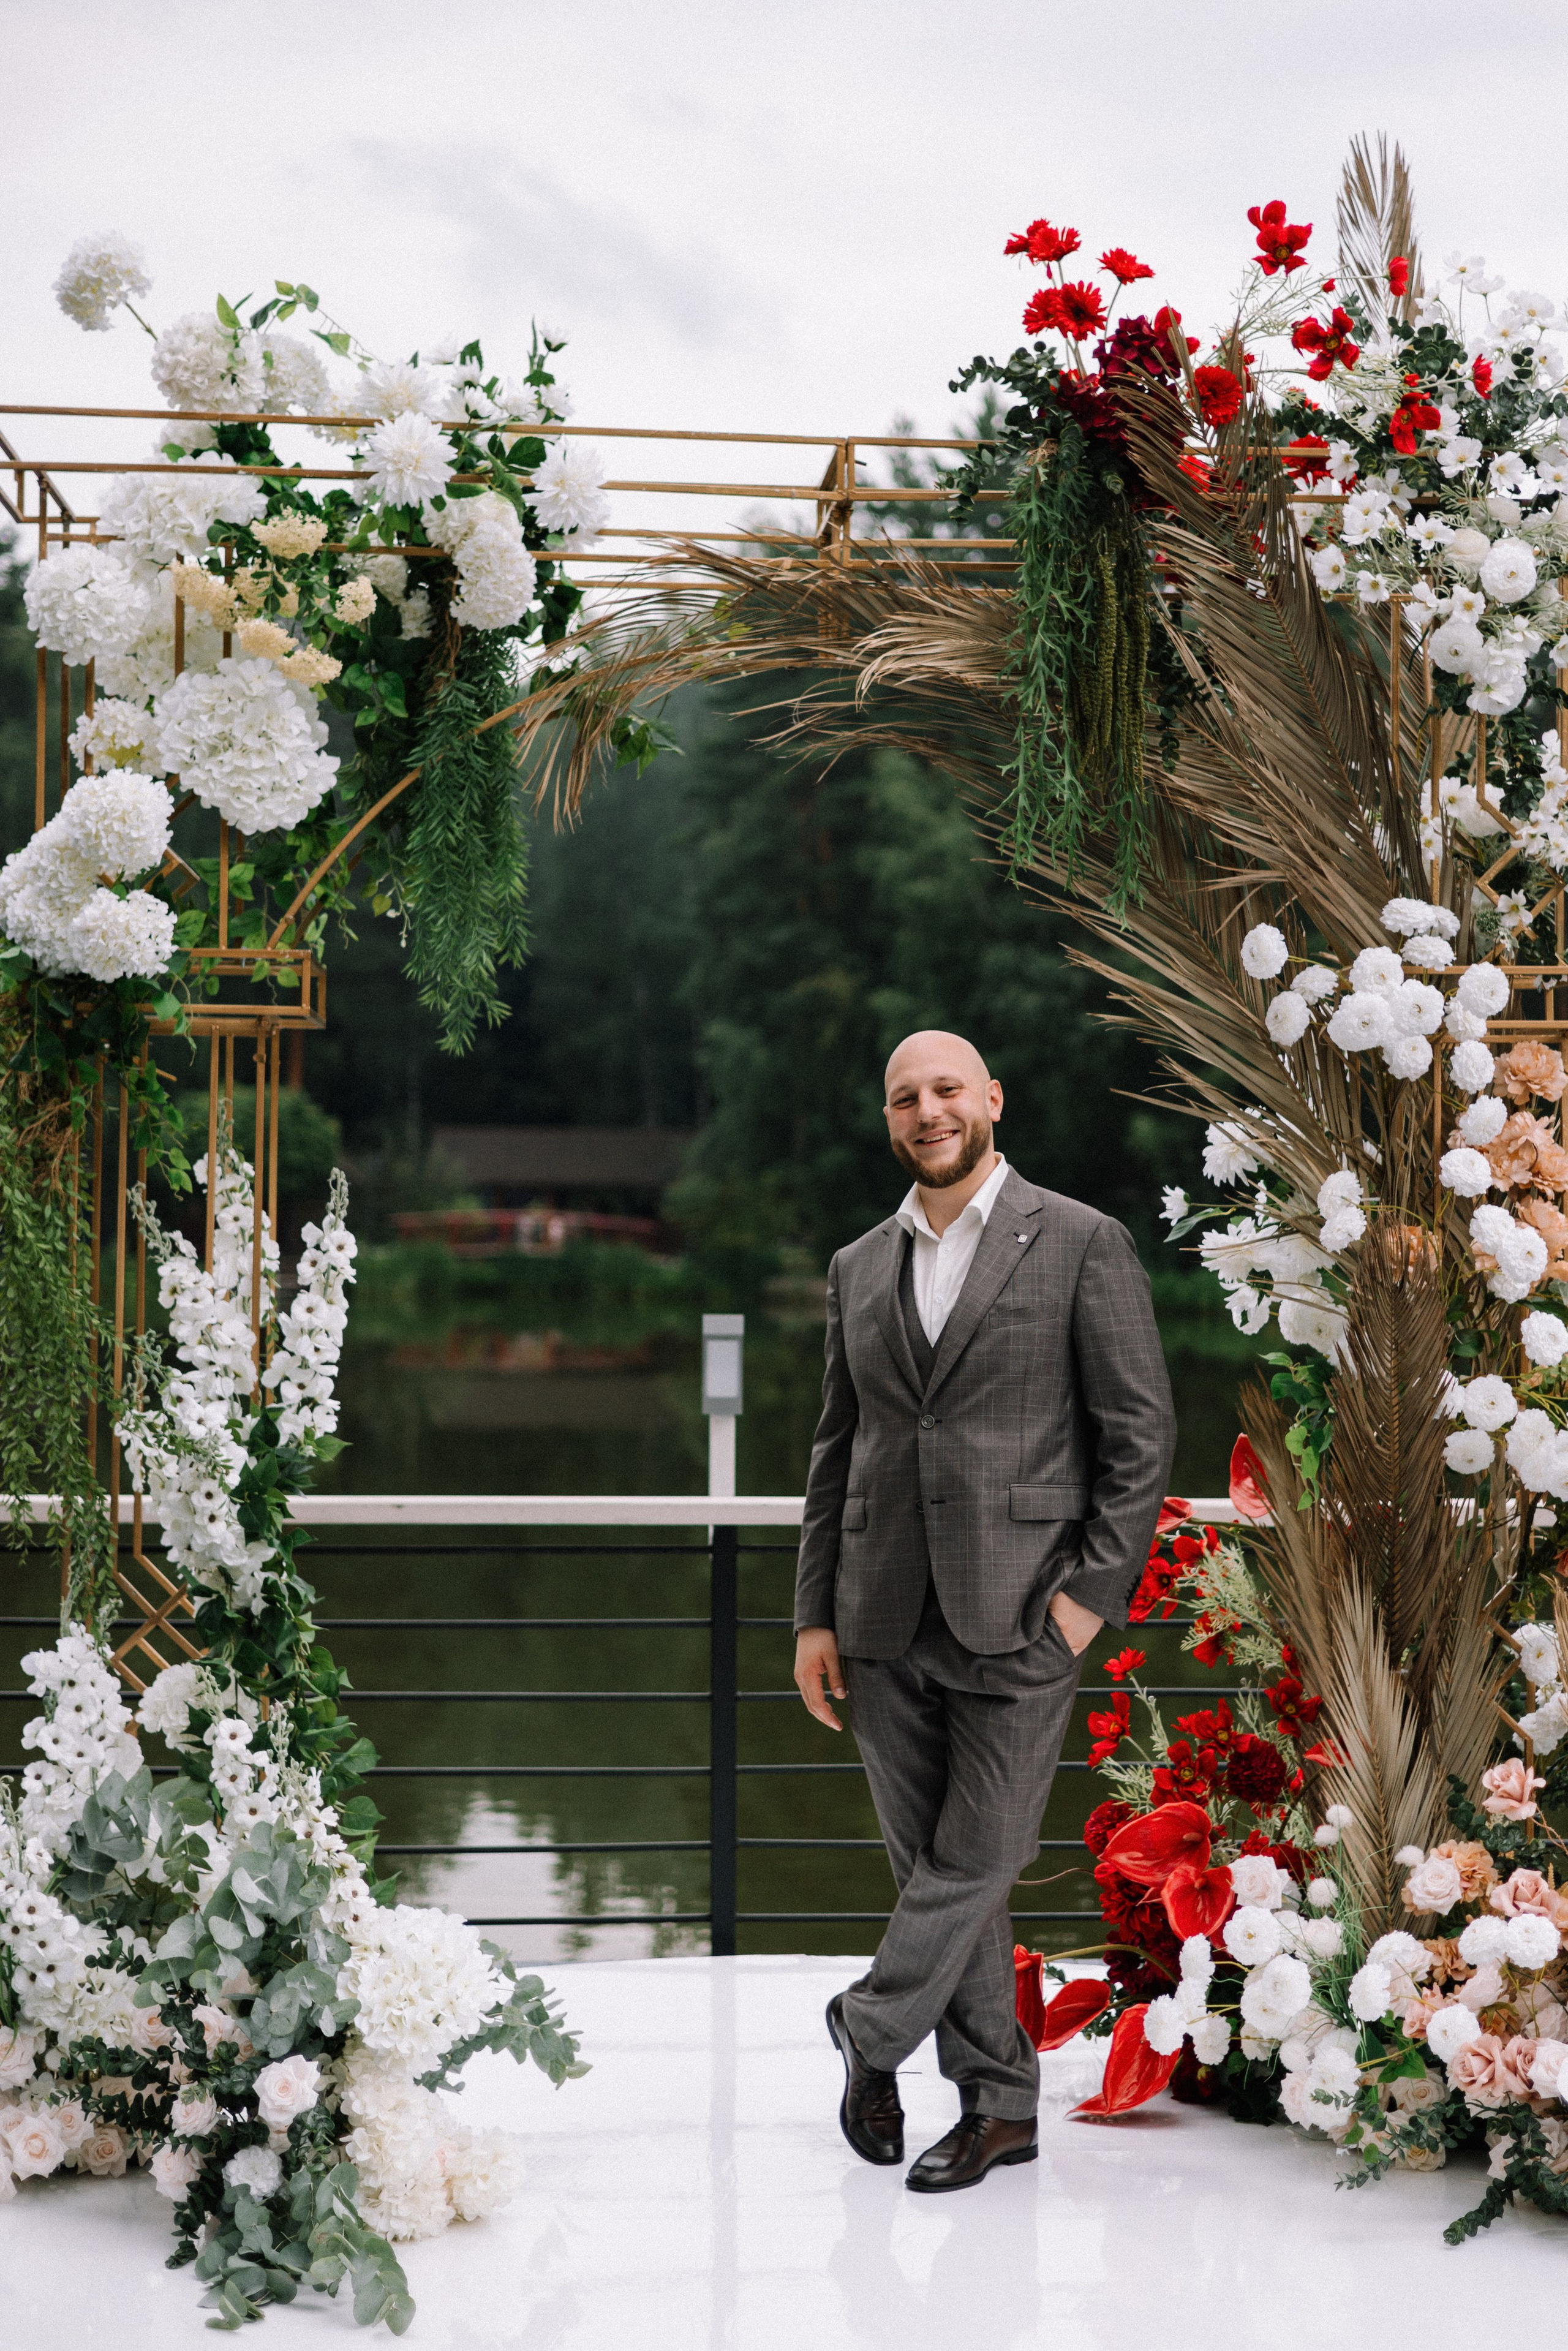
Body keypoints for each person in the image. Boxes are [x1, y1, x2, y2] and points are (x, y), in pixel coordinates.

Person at [793, 1030, 1175, 2192]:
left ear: (992, 1099)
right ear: (891, 1118)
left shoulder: (1079, 1242)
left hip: (1023, 1614)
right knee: (944, 1876)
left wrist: (1083, 1605)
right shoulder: (859, 1264)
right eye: (905, 1095)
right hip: (879, 1614)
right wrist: (814, 1615)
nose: (928, 1110)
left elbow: (1140, 1437)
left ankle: (867, 2027)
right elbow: (836, 1446)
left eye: (947, 1088)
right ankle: (1001, 2105)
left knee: (984, 1850)